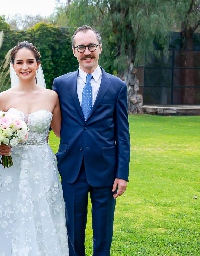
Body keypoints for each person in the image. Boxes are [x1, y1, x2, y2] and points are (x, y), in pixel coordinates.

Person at [0, 41, 69, 255]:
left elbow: (60, 132)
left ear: (38, 64)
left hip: (41, 163)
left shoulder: (51, 96)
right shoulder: (3, 98)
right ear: (13, 66)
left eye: (30, 62)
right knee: (9, 212)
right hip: (11, 165)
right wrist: (0, 145)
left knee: (42, 212)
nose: (24, 67)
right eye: (19, 62)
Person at [52, 25, 130, 256]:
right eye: (81, 47)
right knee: (73, 231)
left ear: (100, 48)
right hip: (72, 167)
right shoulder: (61, 84)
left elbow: (122, 134)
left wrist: (122, 174)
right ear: (74, 51)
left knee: (103, 230)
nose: (87, 52)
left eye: (91, 46)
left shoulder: (116, 86)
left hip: (105, 168)